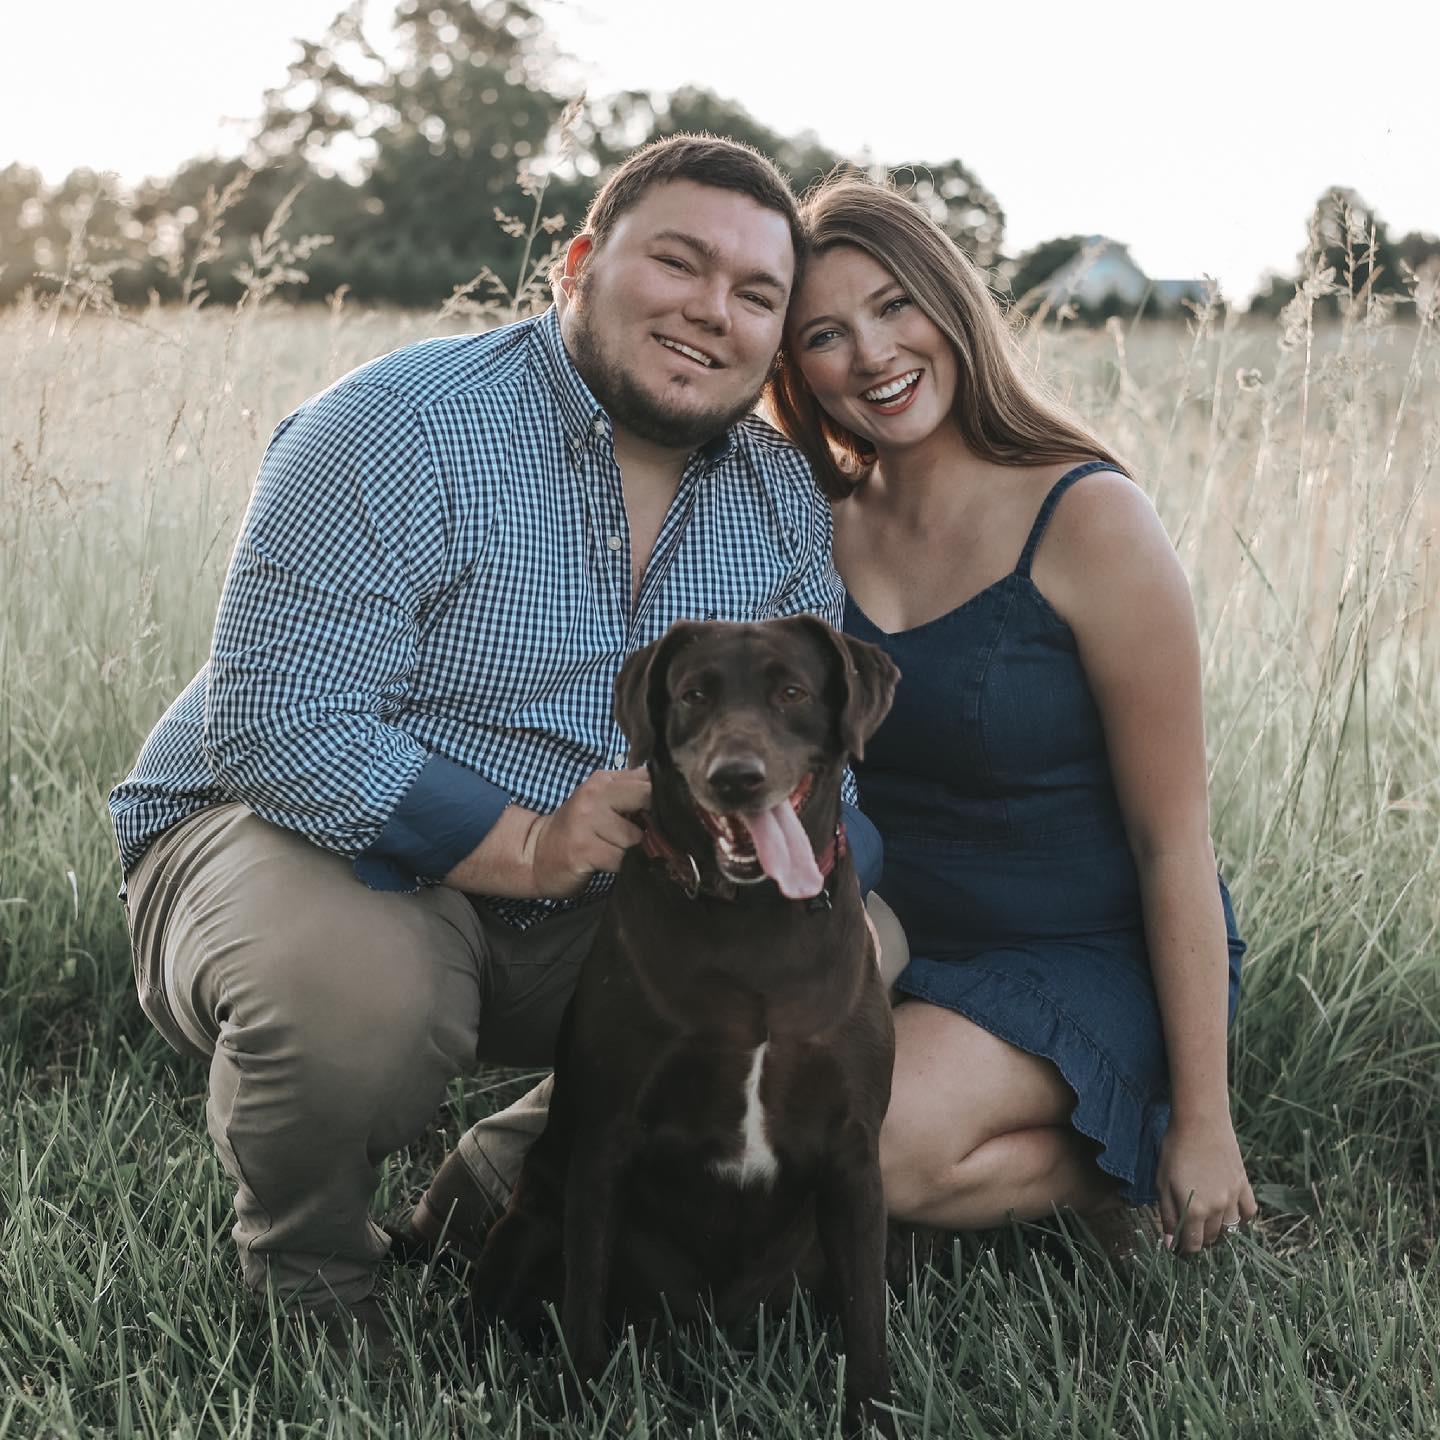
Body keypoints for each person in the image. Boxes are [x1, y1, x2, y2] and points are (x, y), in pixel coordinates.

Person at [108, 135, 891, 1349]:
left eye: (756, 295)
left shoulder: (781, 495)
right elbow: (280, 722)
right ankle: (314, 1283)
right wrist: (525, 843)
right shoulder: (397, 425)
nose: (711, 311)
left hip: (608, 886)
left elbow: (812, 755)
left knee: (857, 949)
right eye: (677, 263)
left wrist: (806, 857)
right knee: (354, 990)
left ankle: (515, 1176)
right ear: (576, 264)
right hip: (299, 840)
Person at [766, 174, 1256, 1255]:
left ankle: (1130, 1146)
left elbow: (1172, 840)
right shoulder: (813, 524)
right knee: (763, 1133)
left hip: (1085, 947)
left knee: (872, 1143)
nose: (874, 355)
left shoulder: (1089, 517)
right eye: (825, 335)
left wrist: (1206, 1120)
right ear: (793, 369)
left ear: (950, 303)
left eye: (895, 305)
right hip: (893, 931)